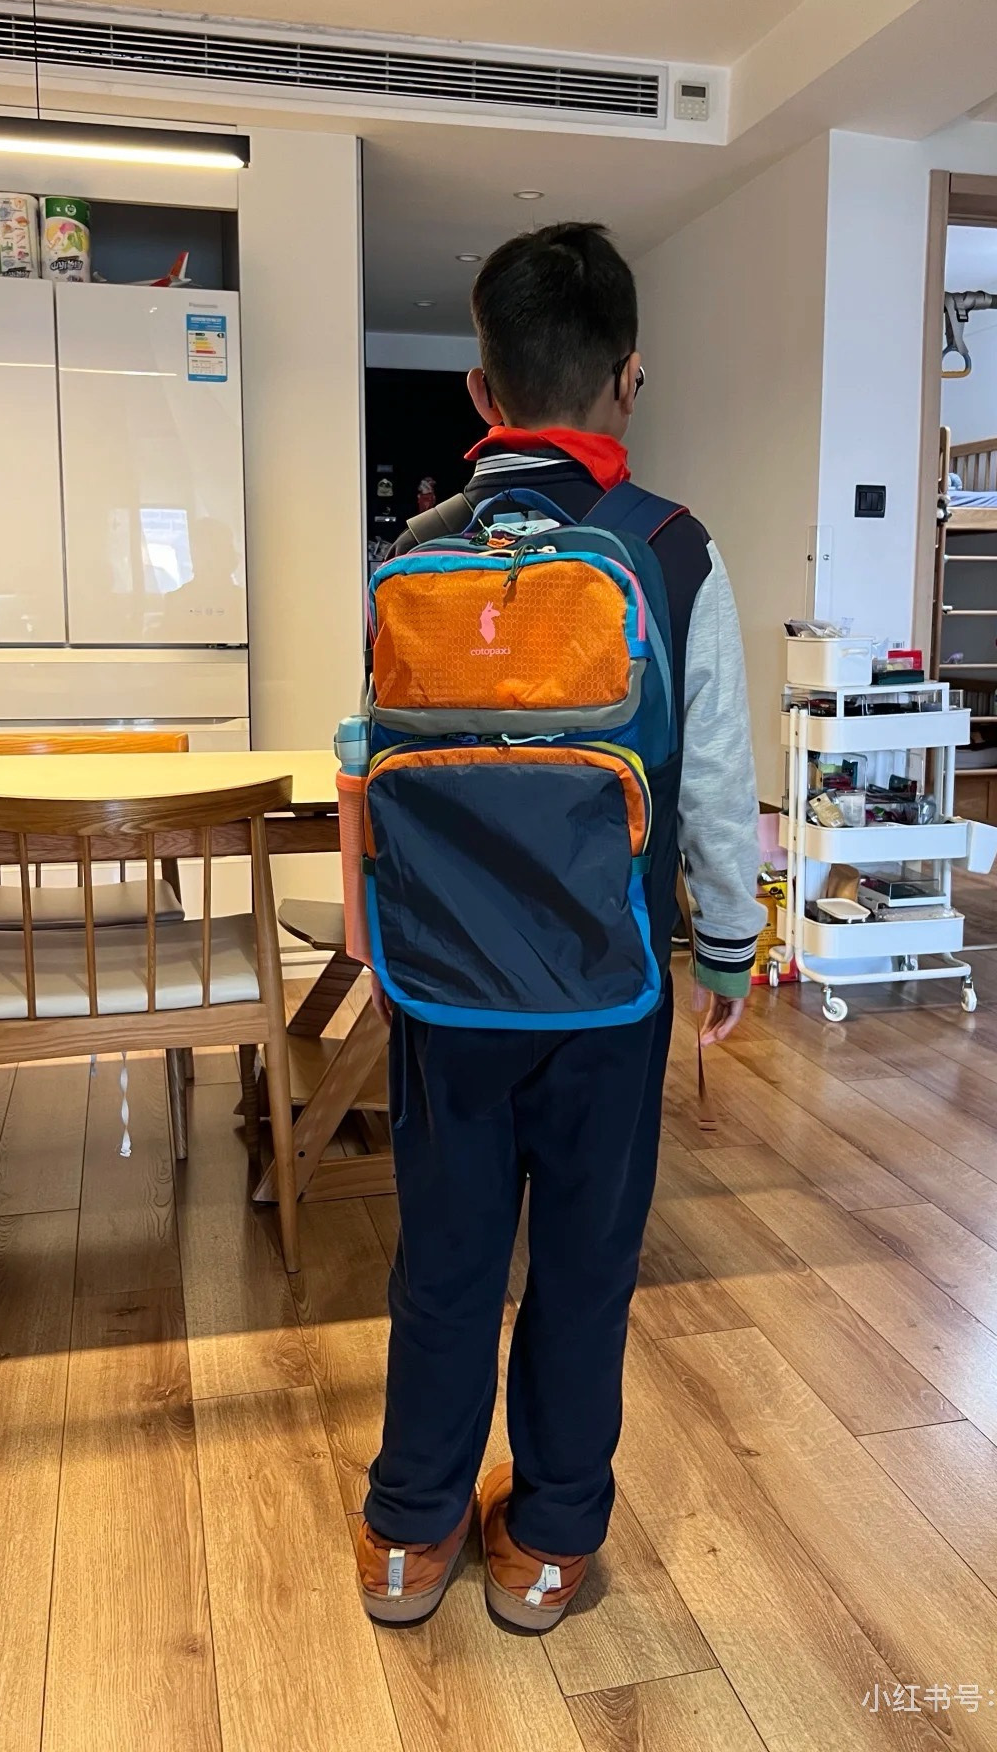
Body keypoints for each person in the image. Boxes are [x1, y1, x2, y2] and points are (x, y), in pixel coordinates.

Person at [354, 222, 763, 1630]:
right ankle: (548, 1542)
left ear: (481, 390)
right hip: (611, 989)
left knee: (445, 1263)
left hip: (444, 991)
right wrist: (729, 944)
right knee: (585, 1270)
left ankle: (411, 1533)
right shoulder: (672, 550)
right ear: (628, 378)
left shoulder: (414, 551)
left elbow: (383, 760)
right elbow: (717, 778)